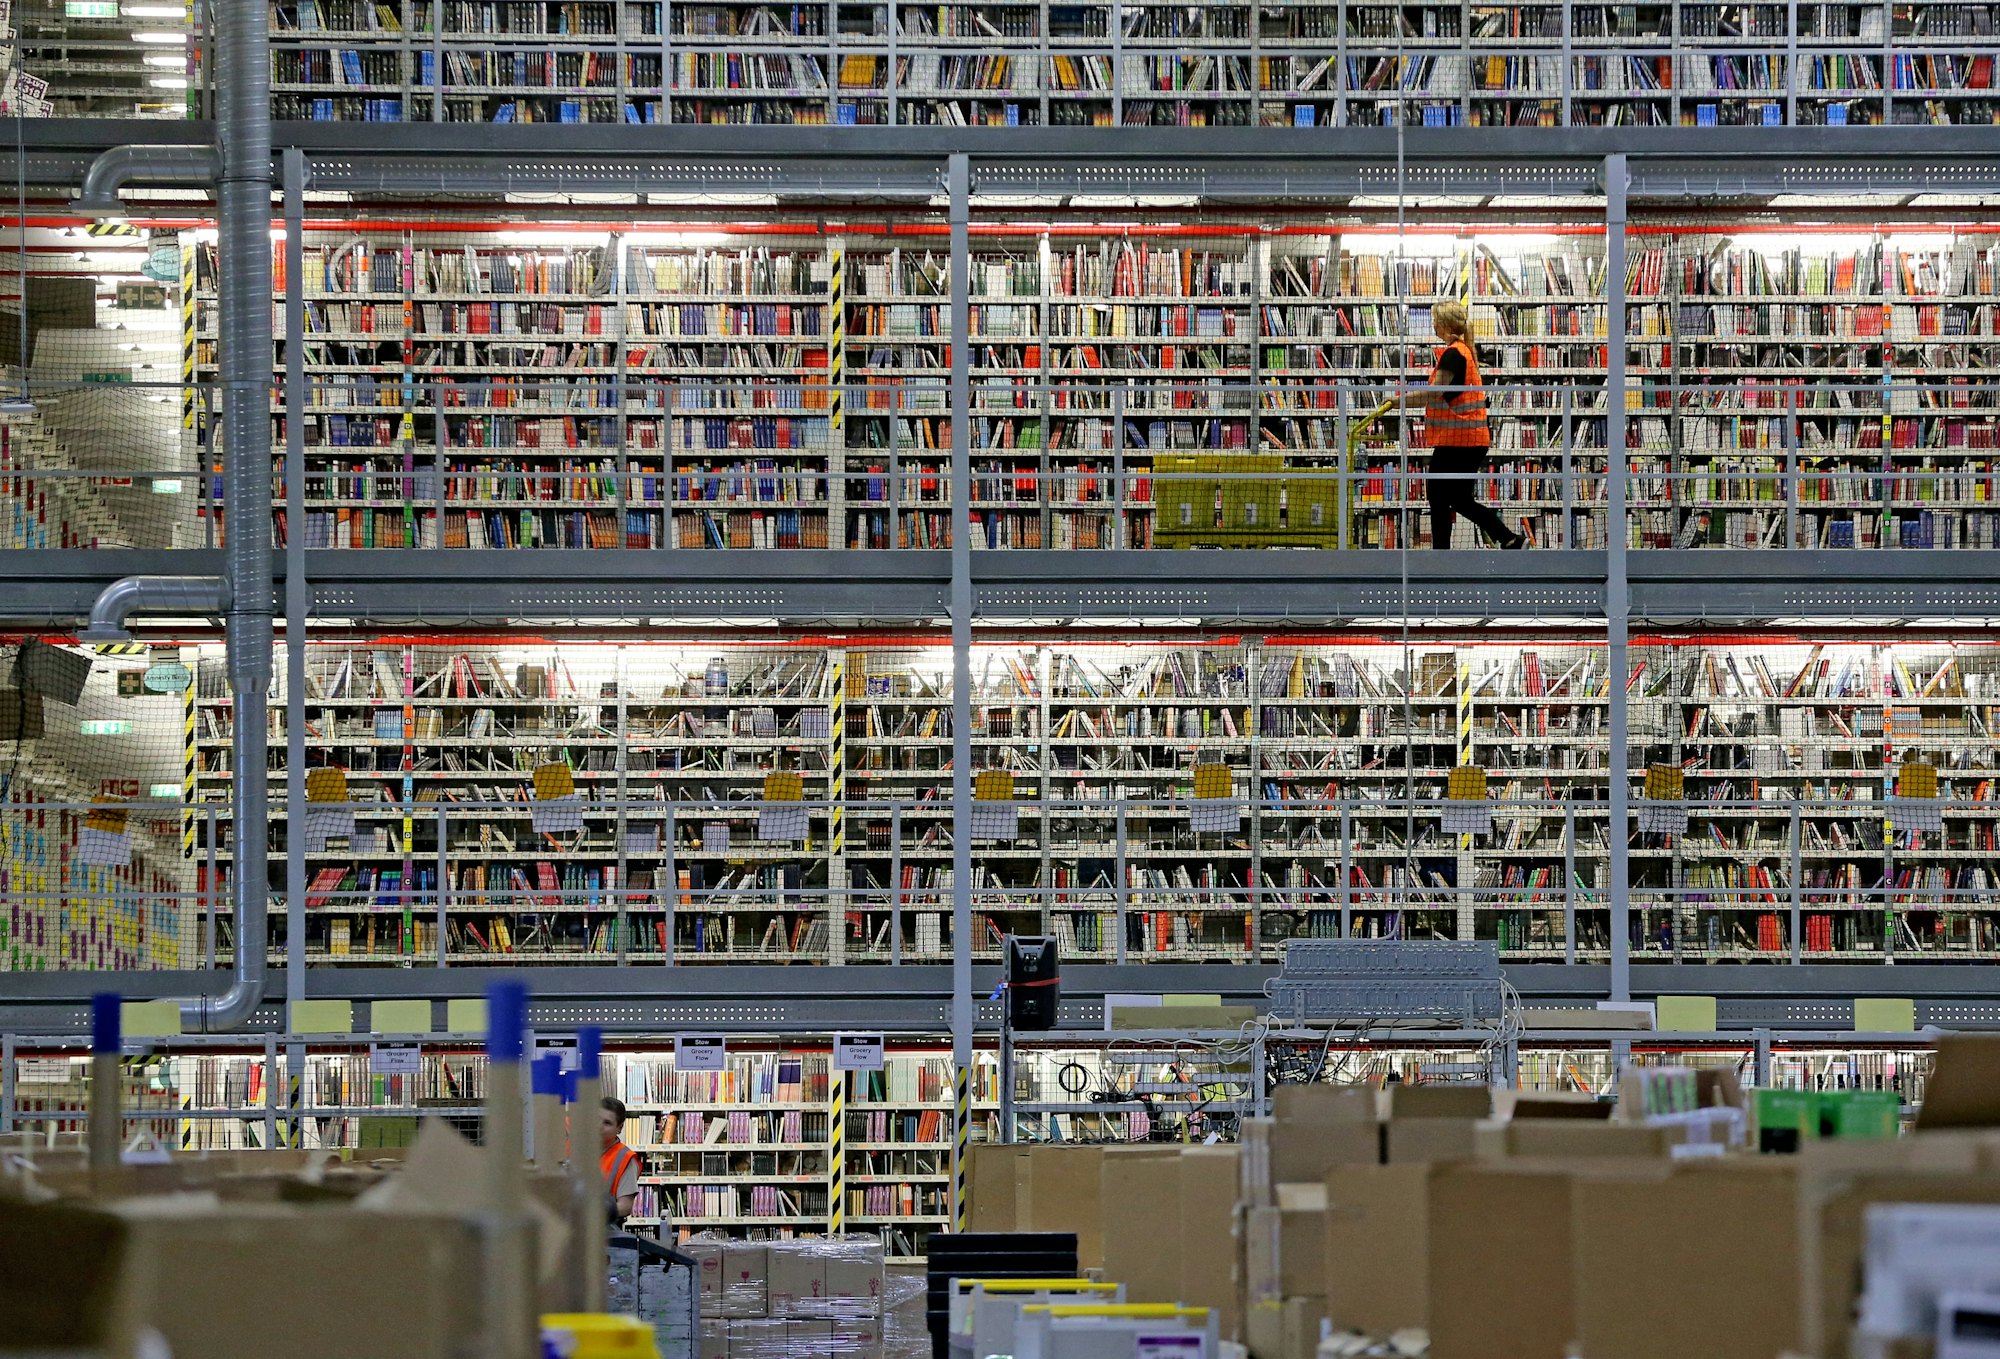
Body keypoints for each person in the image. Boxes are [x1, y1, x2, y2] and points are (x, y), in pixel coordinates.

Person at [1396, 299, 1525, 551]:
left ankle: (1443, 554)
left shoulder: (1454, 353)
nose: (1432, 325)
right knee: (1456, 498)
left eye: (1435, 321)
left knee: (1440, 497)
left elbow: (1434, 393)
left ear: (1442, 325)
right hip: (1467, 440)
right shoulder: (1464, 351)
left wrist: (1398, 400)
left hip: (1459, 440)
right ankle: (1509, 539)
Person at [599, 1096, 640, 1225]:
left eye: (607, 1123)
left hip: (605, 1233)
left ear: (619, 1128)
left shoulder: (625, 1158)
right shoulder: (576, 1149)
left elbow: (625, 1207)